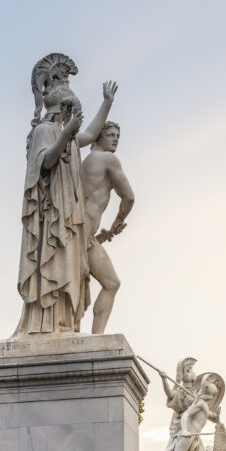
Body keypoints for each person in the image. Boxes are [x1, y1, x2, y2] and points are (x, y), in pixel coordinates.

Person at [15, 78, 117, 335]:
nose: (73, 114)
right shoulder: (45, 131)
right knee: (55, 267)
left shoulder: (68, 137)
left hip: (68, 218)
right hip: (52, 219)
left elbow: (92, 134)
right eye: (70, 109)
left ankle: (65, 323)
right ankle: (47, 324)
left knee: (70, 269)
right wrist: (65, 133)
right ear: (63, 107)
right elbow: (46, 161)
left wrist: (107, 103)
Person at [80, 122, 134, 334]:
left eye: (118, 136)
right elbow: (129, 197)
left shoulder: (87, 161)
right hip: (81, 235)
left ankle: (95, 339)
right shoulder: (107, 159)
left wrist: (106, 234)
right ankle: (96, 336)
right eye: (110, 134)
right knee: (110, 283)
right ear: (98, 137)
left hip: (85, 235)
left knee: (111, 283)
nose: (115, 139)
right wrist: (117, 223)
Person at [148, 373, 225, 451]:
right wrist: (184, 430)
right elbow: (186, 415)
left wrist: (217, 416)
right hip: (188, 436)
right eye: (213, 395)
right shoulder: (200, 403)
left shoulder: (203, 405)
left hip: (195, 437)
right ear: (209, 394)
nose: (213, 397)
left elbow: (211, 417)